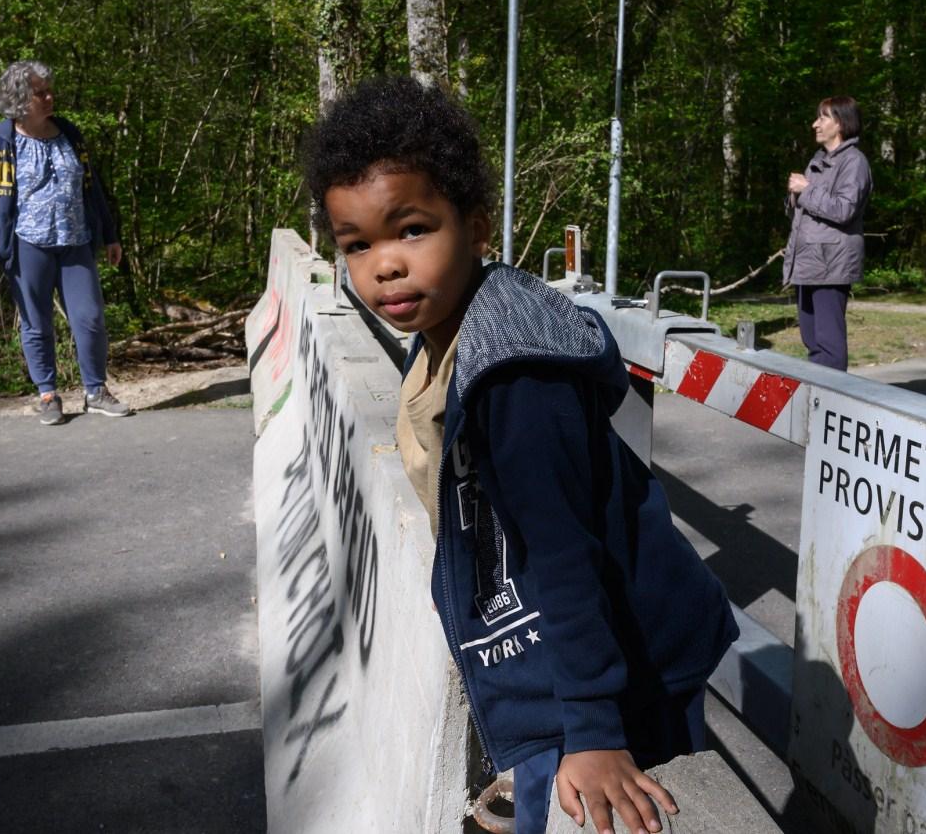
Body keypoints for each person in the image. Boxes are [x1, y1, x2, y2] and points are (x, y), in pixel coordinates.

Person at [303, 76, 738, 834]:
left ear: (476, 229)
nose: (385, 265)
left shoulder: (514, 379)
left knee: (566, 803)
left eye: (412, 230)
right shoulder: (445, 337)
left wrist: (594, 731)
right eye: (358, 245)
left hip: (600, 665)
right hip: (559, 654)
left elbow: (561, 556)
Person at [0, 60, 131, 424]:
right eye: (39, 92)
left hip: (75, 240)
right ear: (19, 99)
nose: (48, 97)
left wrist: (110, 234)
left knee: (89, 318)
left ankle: (96, 391)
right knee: (36, 323)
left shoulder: (70, 133)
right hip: (27, 244)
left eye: (48, 90)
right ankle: (47, 394)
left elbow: (93, 188)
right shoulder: (0, 140)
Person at [783, 96, 873, 371]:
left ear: (842, 123)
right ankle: (817, 404)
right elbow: (805, 213)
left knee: (829, 347)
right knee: (812, 342)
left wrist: (806, 190)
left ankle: (832, 403)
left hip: (831, 264)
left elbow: (844, 209)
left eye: (823, 118)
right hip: (809, 262)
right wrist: (793, 196)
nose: (815, 124)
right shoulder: (818, 160)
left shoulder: (854, 163)